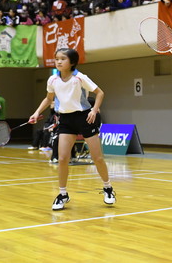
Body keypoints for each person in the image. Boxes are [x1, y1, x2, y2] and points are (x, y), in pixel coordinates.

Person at [29, 48, 116, 210]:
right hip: (66, 120)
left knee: (97, 158)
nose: (59, 62)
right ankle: (62, 194)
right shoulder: (53, 80)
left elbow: (100, 93)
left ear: (72, 62)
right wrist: (36, 112)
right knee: (62, 159)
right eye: (56, 59)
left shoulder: (79, 78)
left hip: (84, 118)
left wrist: (94, 110)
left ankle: (108, 187)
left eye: (63, 59)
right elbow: (49, 99)